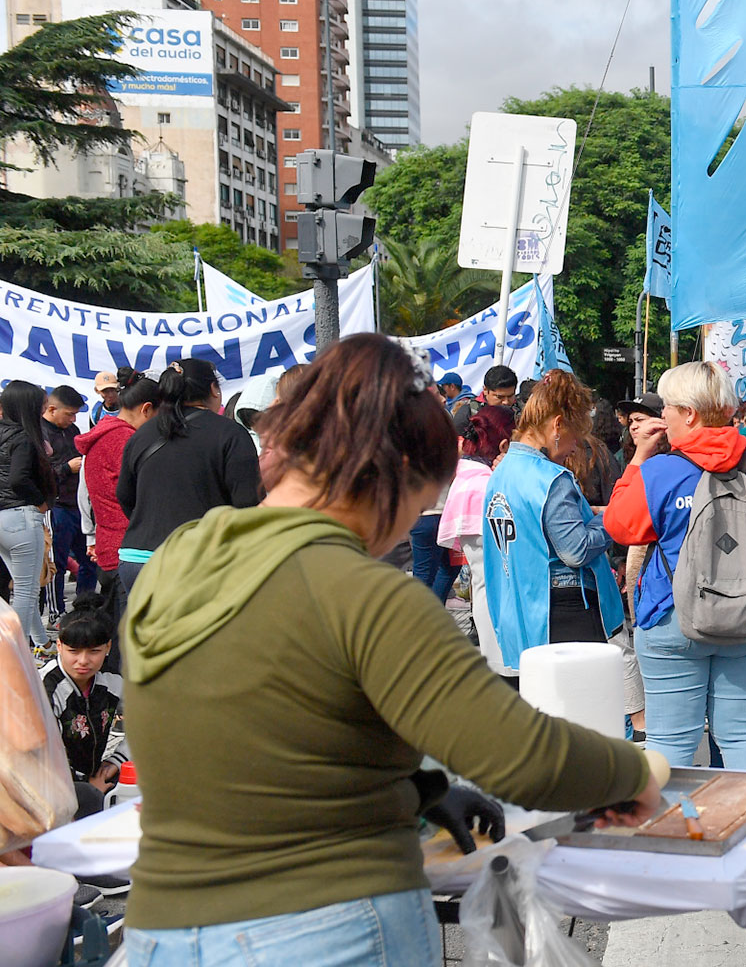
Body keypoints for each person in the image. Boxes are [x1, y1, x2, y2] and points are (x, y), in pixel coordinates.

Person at [118, 334, 659, 962]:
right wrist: (634, 775)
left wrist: (419, 790)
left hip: (163, 929)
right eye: (421, 502)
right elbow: (523, 756)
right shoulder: (363, 594)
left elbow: (265, 723)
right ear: (395, 476)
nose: (409, 527)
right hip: (325, 926)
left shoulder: (178, 558)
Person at [605, 362, 746, 768]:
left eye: (668, 409)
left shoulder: (660, 470)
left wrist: (640, 457)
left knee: (671, 743)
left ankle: (674, 829)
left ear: (690, 414)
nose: (664, 418)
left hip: (674, 616)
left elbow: (621, 526)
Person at [481, 370, 623, 671]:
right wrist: (611, 518)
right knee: (579, 710)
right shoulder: (552, 478)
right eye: (576, 437)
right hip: (563, 610)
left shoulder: (501, 474)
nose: (574, 448)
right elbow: (575, 550)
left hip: (519, 606)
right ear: (558, 425)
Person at [116, 359, 261, 596]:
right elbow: (247, 505)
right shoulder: (230, 433)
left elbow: (124, 495)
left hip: (137, 560)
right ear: (214, 390)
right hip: (196, 560)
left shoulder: (142, 434)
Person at [75, 376, 160, 636]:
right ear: (146, 408)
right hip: (129, 548)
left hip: (108, 545)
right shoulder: (125, 440)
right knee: (129, 640)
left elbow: (86, 493)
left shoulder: (103, 435)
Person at [439, 405, 516, 673]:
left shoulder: (468, 467)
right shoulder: (488, 473)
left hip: (470, 514)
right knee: (489, 582)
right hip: (483, 512)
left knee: (482, 583)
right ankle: (499, 661)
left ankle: (495, 659)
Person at [38, 608, 125, 818]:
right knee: (89, 799)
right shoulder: (43, 688)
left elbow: (148, 723)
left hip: (96, 774)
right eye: (74, 651)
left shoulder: (112, 680)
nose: (83, 661)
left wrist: (116, 761)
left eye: (94, 651)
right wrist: (88, 785)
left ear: (108, 647)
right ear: (59, 646)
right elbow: (44, 753)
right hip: (47, 784)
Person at [0, 380, 55, 656]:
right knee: (26, 590)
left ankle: (41, 643)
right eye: (41, 405)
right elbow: (19, 478)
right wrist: (40, 500)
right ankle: (13, 656)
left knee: (24, 587)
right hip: (21, 516)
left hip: (3, 520)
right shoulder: (23, 436)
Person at [43, 385, 95, 613]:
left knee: (90, 559)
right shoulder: (39, 433)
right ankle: (56, 612)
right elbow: (35, 473)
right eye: (69, 414)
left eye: (75, 414)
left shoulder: (73, 430)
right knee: (58, 564)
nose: (73, 419)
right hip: (57, 507)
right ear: (52, 409)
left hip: (79, 505)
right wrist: (66, 468)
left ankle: (86, 606)